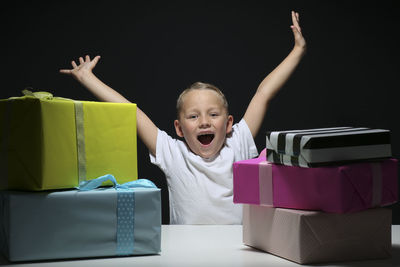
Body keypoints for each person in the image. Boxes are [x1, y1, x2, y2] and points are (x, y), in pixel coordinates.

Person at [60, 11, 306, 224]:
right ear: (179, 128)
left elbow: (263, 93)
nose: (204, 122)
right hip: (184, 250)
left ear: (229, 123)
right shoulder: (172, 153)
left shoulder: (238, 142)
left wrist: (297, 50)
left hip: (236, 248)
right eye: (193, 116)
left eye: (213, 114)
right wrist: (88, 79)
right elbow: (131, 112)